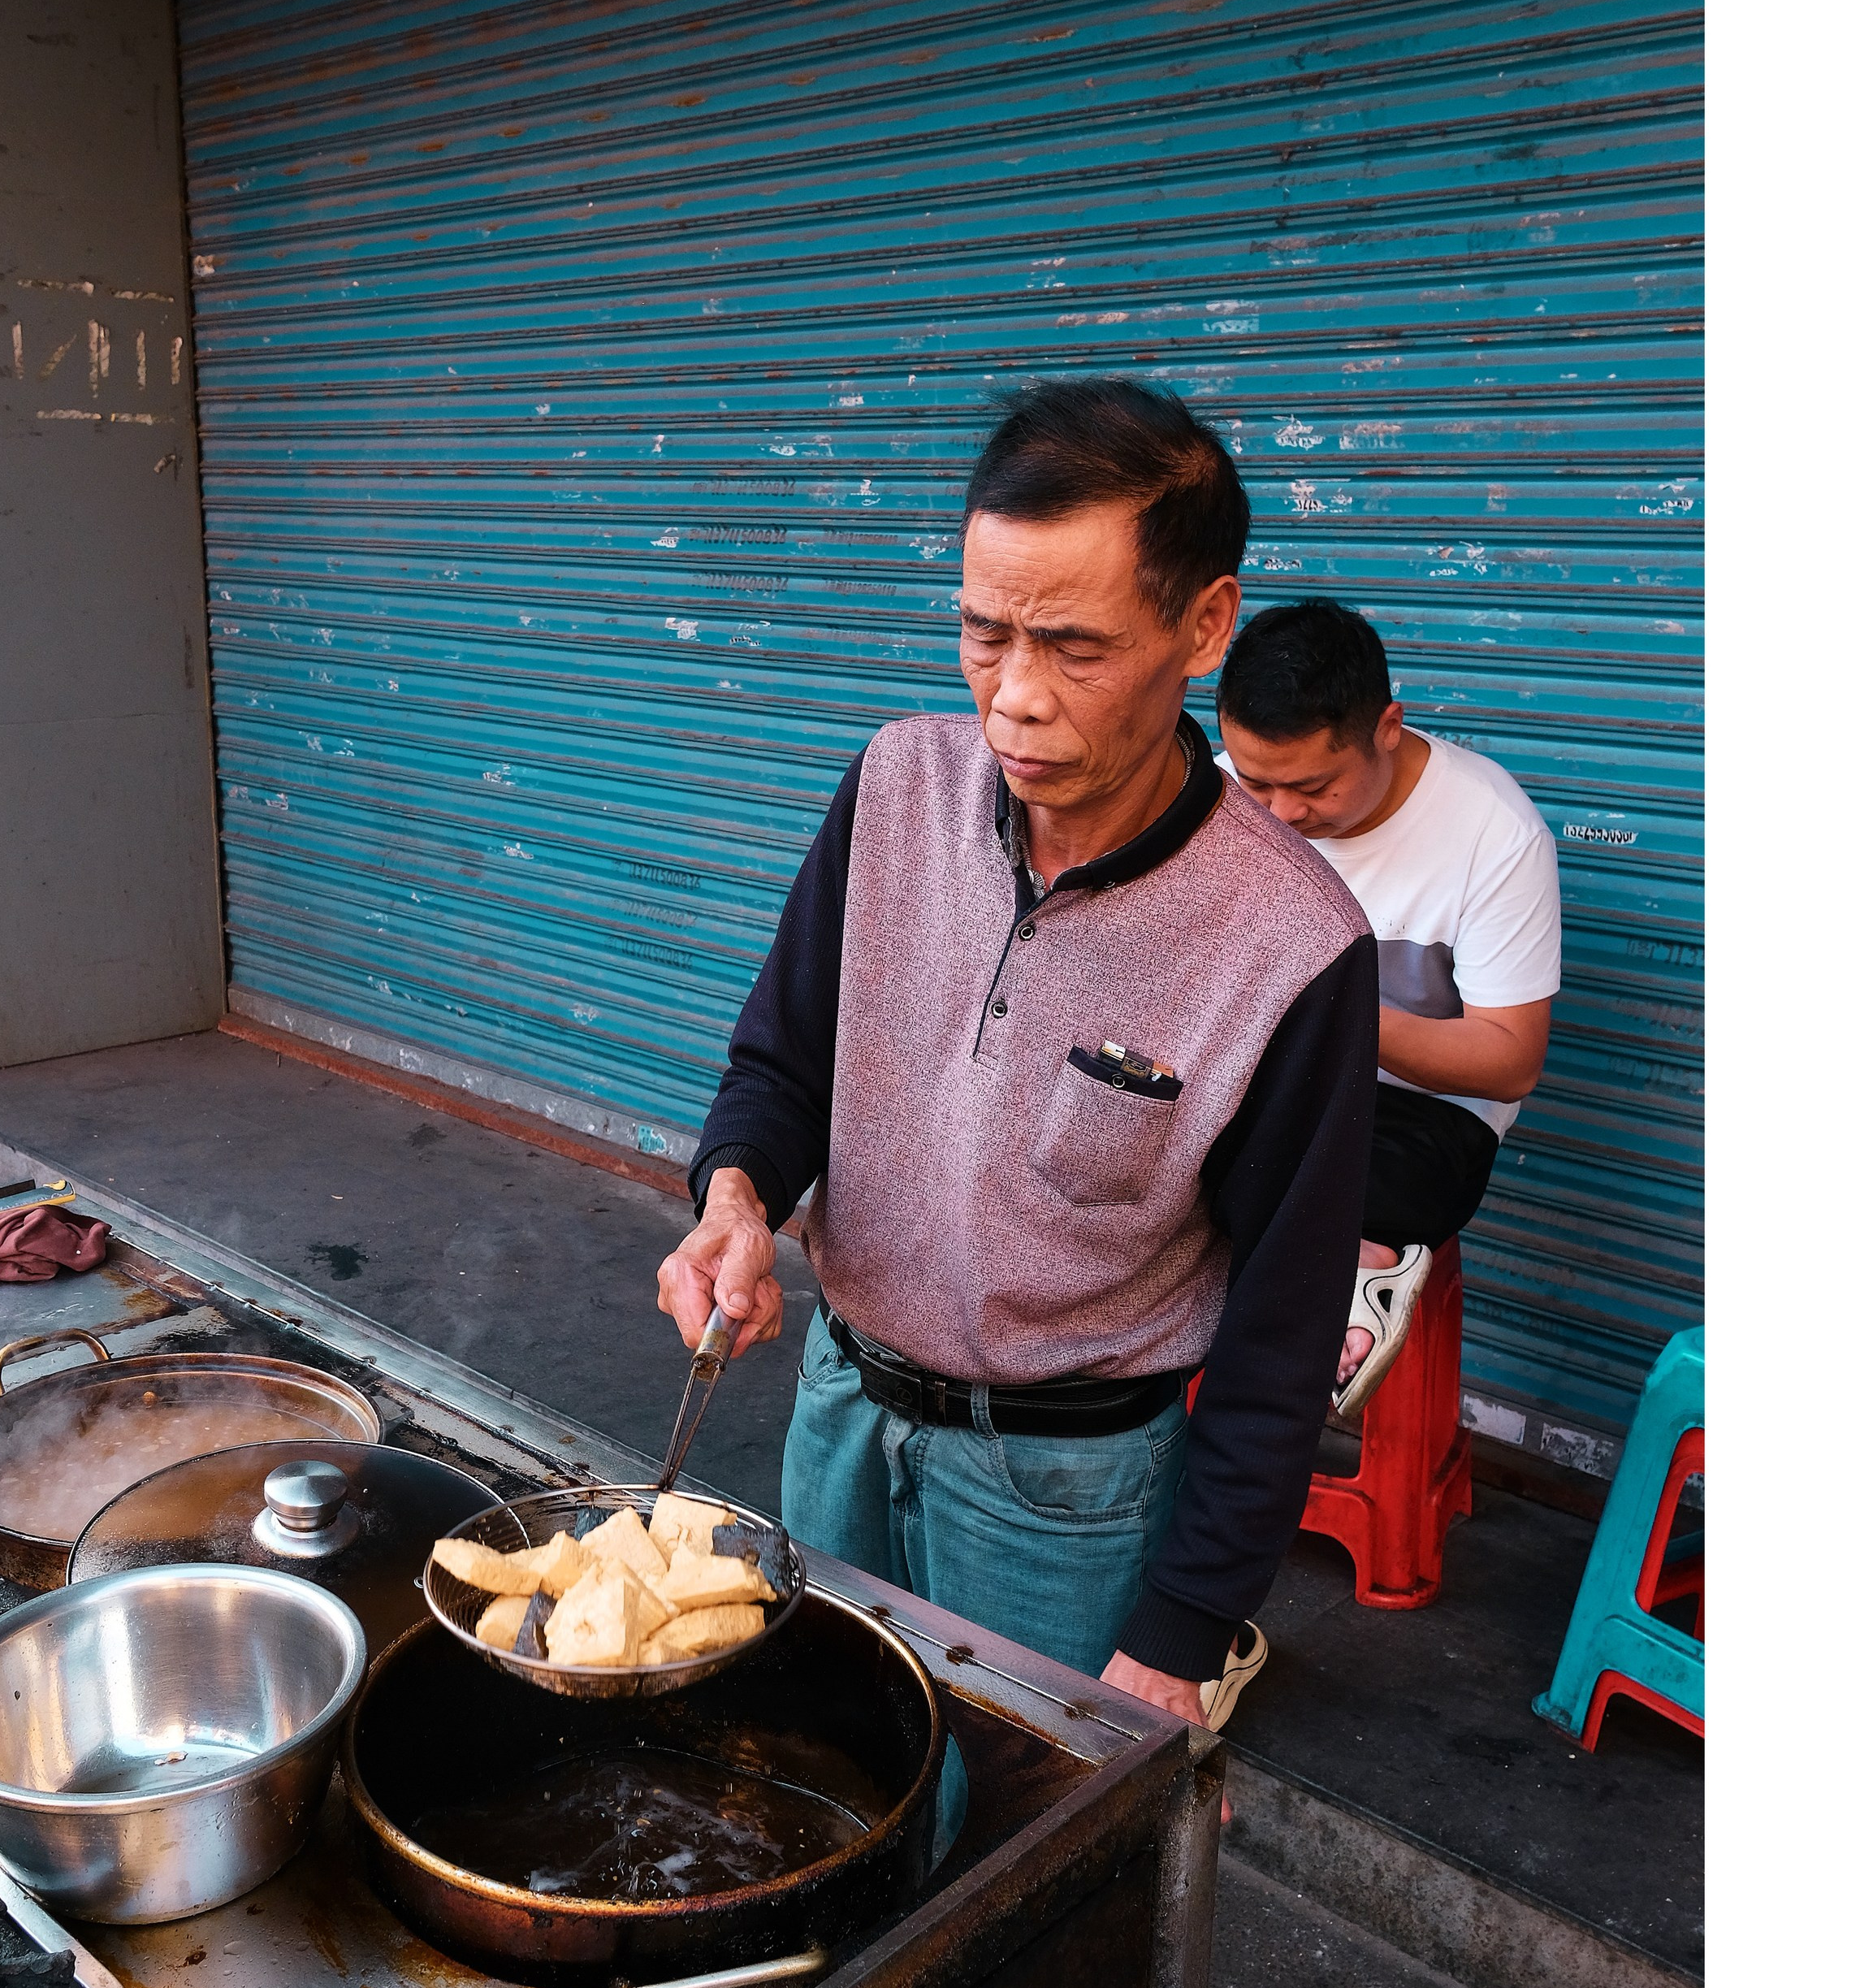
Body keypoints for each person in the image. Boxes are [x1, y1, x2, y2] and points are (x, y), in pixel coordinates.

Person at [654, 376, 1378, 1736]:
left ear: (1202, 625)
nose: (1013, 702)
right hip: (838, 1407)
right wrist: (735, 1199)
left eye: (1074, 647)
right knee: (822, 1756)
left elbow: (1284, 1332)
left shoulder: (1291, 943)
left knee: (1018, 1813)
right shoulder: (893, 784)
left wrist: (1181, 1629)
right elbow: (782, 1060)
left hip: (1066, 1495)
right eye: (983, 637)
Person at [1214, 600, 1561, 1417]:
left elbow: (1509, 1059)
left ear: (1388, 728)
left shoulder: (1492, 830)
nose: (1278, 815)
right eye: (1255, 782)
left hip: (1413, 1108)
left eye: (1311, 786)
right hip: (1263, 1078)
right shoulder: (1214, 796)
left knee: (1369, 1177)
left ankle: (1362, 1264)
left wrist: (1335, 1013)